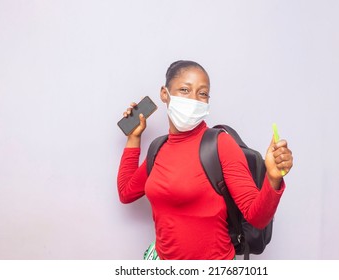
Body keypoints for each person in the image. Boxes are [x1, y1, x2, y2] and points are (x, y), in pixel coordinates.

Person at [117, 60, 293, 260]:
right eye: (184, 90)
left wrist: (272, 179)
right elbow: (126, 193)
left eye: (202, 93)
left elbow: (257, 218)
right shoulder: (158, 148)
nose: (193, 100)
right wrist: (134, 138)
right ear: (164, 94)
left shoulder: (220, 144)